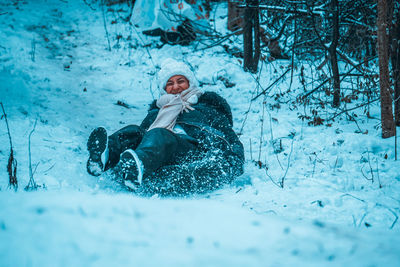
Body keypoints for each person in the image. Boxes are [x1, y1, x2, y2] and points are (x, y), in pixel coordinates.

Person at [87, 58, 244, 196]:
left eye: (180, 81)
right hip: (157, 150)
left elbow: (231, 140)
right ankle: (104, 156)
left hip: (190, 149)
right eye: (169, 83)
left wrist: (232, 163)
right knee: (133, 131)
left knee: (159, 134)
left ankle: (139, 166)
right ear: (164, 89)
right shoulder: (157, 111)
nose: (175, 87)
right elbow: (142, 137)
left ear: (190, 83)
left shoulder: (208, 108)